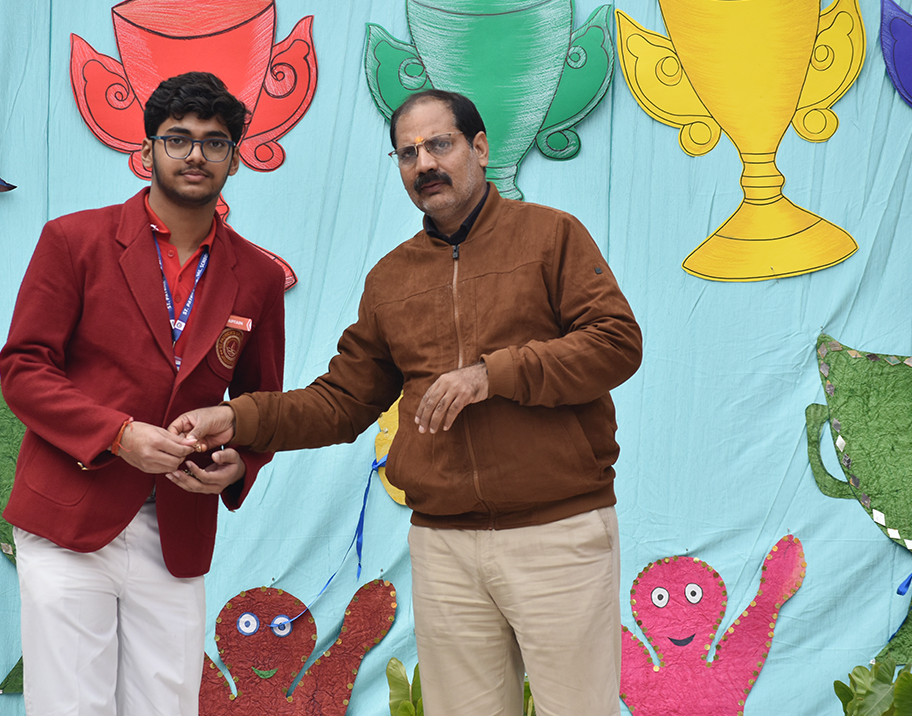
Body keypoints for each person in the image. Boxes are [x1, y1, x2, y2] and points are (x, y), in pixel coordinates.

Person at [168, 89, 642, 715]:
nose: (425, 164)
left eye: (440, 144)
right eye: (408, 153)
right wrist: (237, 418)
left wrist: (491, 375)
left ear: (479, 148)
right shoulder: (391, 278)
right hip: (444, 546)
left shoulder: (551, 236)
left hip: (557, 531)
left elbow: (615, 344)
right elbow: (341, 401)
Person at [0, 71, 286, 716]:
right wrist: (119, 435)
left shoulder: (259, 276)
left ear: (235, 159)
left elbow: (261, 404)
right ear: (148, 149)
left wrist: (243, 462)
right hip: (70, 514)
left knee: (167, 706)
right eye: (178, 139)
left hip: (176, 526)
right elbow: (24, 367)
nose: (195, 155)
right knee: (70, 707)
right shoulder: (73, 241)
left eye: (214, 142)